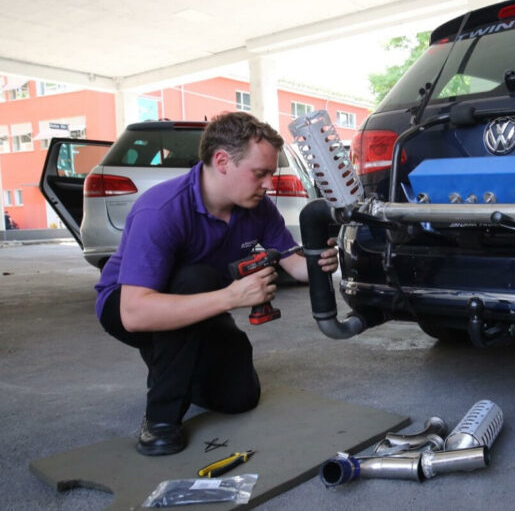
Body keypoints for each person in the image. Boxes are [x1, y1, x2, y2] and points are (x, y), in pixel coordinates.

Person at [95, 111, 338, 456]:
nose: (269, 183)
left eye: (271, 173)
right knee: (195, 277)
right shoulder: (161, 210)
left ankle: (178, 364)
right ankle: (160, 419)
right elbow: (134, 313)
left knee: (240, 398)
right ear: (222, 161)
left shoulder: (258, 207)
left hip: (204, 300)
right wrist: (231, 297)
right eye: (260, 173)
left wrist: (319, 263)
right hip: (127, 305)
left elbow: (293, 264)